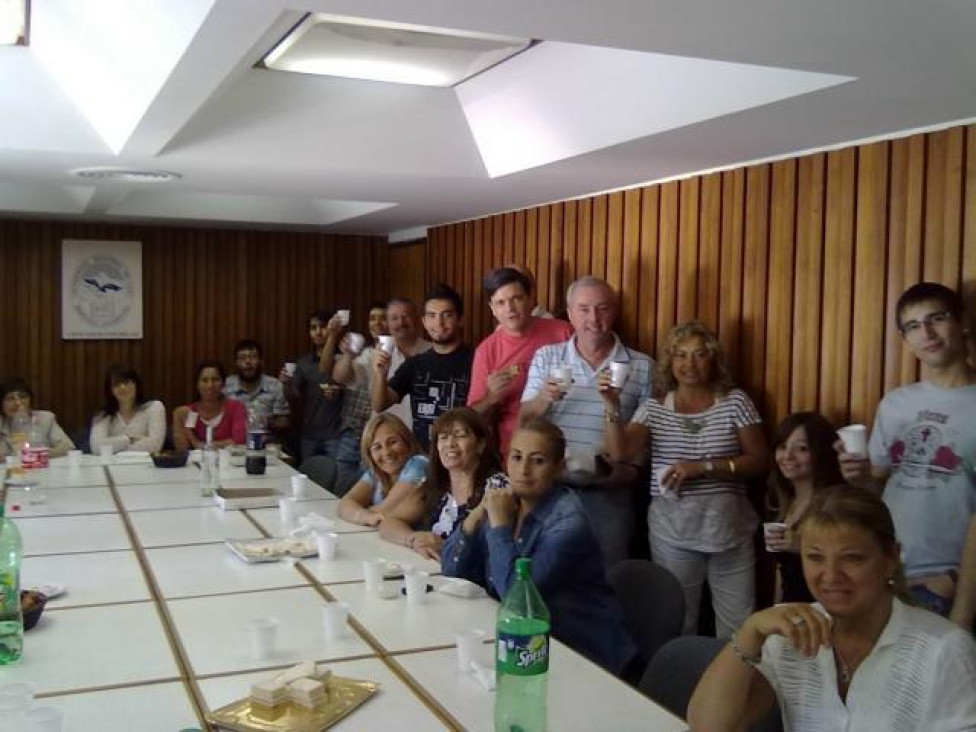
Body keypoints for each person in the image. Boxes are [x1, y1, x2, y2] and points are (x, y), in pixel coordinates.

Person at [687, 485, 976, 732]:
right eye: (815, 557)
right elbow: (709, 726)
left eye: (852, 558)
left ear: (891, 558)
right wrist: (749, 632)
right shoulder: (792, 636)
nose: (830, 575)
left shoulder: (945, 651)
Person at [603, 320, 769, 637]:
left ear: (713, 360)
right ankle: (682, 685)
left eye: (699, 355)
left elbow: (760, 461)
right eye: (680, 355)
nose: (689, 364)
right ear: (670, 362)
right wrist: (611, 406)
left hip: (729, 533)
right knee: (680, 622)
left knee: (739, 628)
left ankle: (732, 687)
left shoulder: (735, 402)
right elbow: (619, 453)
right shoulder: (654, 409)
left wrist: (705, 467)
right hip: (673, 534)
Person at [441, 418, 637, 675]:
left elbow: (516, 595)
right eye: (517, 457)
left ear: (559, 467)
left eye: (538, 461)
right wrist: (475, 516)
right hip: (526, 644)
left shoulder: (569, 523)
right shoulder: (506, 503)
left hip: (584, 654)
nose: (523, 470)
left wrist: (499, 526)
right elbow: (452, 572)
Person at [840, 282, 976, 629]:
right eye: (913, 326)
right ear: (904, 339)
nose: (926, 333)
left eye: (936, 319)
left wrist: (959, 591)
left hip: (951, 581)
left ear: (961, 322)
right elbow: (877, 492)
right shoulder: (896, 404)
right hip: (889, 572)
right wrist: (861, 477)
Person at [520, 276, 653, 567]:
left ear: (614, 311)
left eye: (602, 308)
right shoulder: (547, 357)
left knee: (606, 580)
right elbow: (524, 421)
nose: (593, 318)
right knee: (545, 576)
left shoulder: (642, 366)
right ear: (569, 314)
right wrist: (544, 397)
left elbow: (642, 446)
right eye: (583, 309)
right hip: (551, 490)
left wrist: (627, 471)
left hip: (608, 497)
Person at [467, 267, 572, 457]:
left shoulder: (563, 332)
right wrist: (491, 397)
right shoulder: (486, 350)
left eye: (516, 298)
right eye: (501, 303)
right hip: (517, 451)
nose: (510, 309)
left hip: (567, 442)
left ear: (530, 298)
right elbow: (473, 417)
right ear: (492, 309)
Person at [379, 407, 502, 560]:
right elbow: (388, 523)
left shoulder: (497, 488)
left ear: (480, 445)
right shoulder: (437, 486)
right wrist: (413, 539)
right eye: (443, 437)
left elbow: (498, 551)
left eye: (460, 436)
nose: (450, 443)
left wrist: (445, 547)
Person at [370, 284, 473, 451]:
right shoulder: (415, 364)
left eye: (446, 315)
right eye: (431, 316)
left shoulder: (476, 359)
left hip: (462, 455)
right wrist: (380, 373)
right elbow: (379, 405)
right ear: (424, 321)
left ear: (460, 319)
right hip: (423, 458)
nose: (439, 323)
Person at [767, 412, 845, 603]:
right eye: (782, 446)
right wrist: (776, 612)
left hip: (824, 611)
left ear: (821, 452)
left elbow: (849, 561)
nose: (787, 456)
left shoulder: (835, 503)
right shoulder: (785, 501)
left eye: (801, 449)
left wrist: (804, 548)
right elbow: (782, 571)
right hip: (791, 611)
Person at [280, 309, 359, 492]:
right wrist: (285, 383)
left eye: (322, 327)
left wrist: (339, 391)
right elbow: (294, 396)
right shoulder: (304, 363)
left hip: (337, 433)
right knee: (307, 483)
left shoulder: (343, 358)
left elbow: (355, 389)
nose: (318, 332)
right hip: (309, 433)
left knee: (336, 484)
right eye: (313, 328)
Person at [337, 413, 429, 528]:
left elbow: (385, 511)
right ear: (369, 454)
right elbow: (344, 505)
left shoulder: (419, 464)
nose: (386, 452)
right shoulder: (377, 472)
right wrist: (366, 517)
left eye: (392, 442)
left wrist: (360, 513)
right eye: (377, 447)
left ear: (407, 441)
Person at [90, 365, 166, 454]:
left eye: (127, 382)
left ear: (136, 384)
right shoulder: (103, 415)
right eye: (116, 384)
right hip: (113, 465)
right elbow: (96, 447)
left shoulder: (154, 407)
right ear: (110, 390)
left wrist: (114, 449)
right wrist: (129, 439)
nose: (122, 387)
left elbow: (155, 446)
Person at [172, 361, 247, 449]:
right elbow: (182, 450)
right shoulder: (189, 413)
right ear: (197, 385)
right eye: (204, 380)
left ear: (223, 384)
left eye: (215, 380)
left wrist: (202, 445)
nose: (210, 385)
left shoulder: (236, 408)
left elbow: (239, 441)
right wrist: (186, 428)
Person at [223, 340, 290, 435]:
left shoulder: (275, 385)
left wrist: (265, 421)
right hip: (233, 443)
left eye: (253, 357)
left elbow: (284, 422)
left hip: (266, 444)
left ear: (261, 361)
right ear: (236, 363)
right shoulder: (225, 387)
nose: (248, 362)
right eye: (242, 358)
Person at [0, 377, 74, 458]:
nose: (18, 403)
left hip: (41, 468)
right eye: (10, 398)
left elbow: (68, 447)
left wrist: (39, 454)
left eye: (23, 397)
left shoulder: (45, 419)